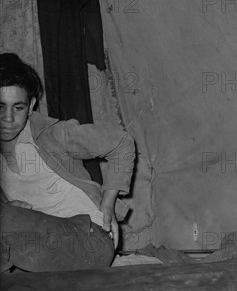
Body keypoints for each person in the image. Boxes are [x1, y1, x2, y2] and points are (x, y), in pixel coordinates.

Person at [0, 53, 135, 272]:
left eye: (18, 107)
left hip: (88, 240)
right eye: (0, 106)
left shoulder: (53, 134)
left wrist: (107, 204)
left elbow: (122, 143)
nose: (8, 118)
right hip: (42, 246)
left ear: (31, 105)